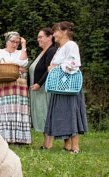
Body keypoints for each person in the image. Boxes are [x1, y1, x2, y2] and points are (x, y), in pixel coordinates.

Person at [43, 21, 88, 153]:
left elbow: (74, 63)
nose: (54, 34)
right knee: (62, 113)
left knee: (71, 112)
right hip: (59, 86)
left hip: (69, 86)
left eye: (56, 31)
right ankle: (67, 145)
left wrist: (57, 67)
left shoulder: (71, 45)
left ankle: (75, 146)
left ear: (64, 32)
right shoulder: (60, 48)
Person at [0, 31, 31, 144]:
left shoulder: (20, 52)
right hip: (3, 84)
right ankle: (3, 138)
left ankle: (19, 139)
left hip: (18, 87)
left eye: (17, 42)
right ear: (7, 41)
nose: (15, 44)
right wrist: (17, 66)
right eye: (12, 41)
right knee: (4, 110)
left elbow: (24, 62)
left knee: (18, 110)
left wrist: (24, 46)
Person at [29, 27, 57, 134]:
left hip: (44, 89)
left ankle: (48, 140)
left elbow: (50, 69)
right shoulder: (42, 52)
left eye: (41, 37)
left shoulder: (51, 51)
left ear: (50, 37)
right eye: (38, 37)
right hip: (37, 90)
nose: (38, 39)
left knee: (44, 112)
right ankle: (45, 139)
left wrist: (39, 84)